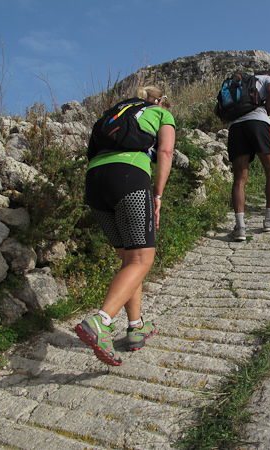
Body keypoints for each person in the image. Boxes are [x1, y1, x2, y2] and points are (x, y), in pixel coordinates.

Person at [75, 86, 175, 366]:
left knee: (131, 259)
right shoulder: (160, 113)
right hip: (128, 175)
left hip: (95, 181)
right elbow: (166, 152)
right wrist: (158, 194)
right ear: (161, 100)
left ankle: (135, 327)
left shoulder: (116, 113)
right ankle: (101, 321)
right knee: (142, 259)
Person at [215, 71, 270, 241]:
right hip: (259, 122)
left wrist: (234, 117)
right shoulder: (266, 78)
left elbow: (217, 110)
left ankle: (240, 227)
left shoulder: (236, 84)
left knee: (239, 178)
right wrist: (267, 112)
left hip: (236, 128)